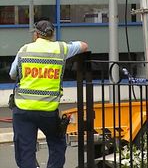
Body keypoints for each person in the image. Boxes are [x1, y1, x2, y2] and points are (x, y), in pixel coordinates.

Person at [8, 20, 88, 168]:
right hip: (48, 110)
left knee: (25, 150)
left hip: (23, 109)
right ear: (51, 35)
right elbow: (84, 46)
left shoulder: (24, 50)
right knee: (57, 144)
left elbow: (13, 74)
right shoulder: (61, 48)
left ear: (36, 34)